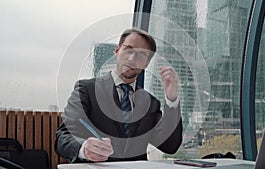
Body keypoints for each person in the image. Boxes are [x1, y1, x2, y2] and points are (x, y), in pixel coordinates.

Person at [55, 28, 183, 163]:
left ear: (146, 64)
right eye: (128, 50)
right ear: (117, 51)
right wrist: (84, 149)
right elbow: (64, 137)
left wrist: (172, 100)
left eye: (141, 55)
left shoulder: (150, 102)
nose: (132, 58)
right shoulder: (86, 90)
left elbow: (170, 146)